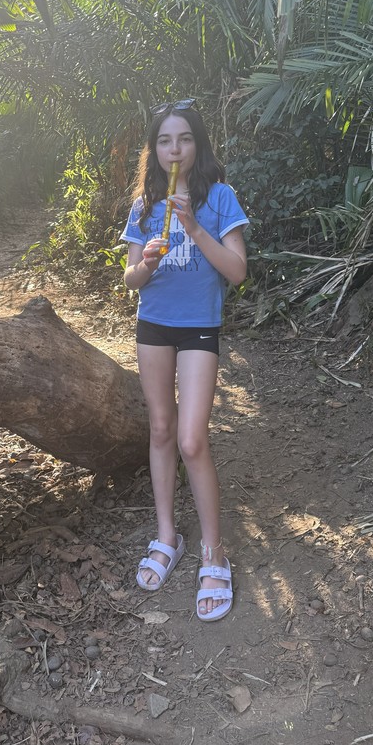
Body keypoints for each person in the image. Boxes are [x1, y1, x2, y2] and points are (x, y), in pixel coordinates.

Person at [121, 99, 248, 621]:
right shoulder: (144, 203)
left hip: (199, 326)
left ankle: (214, 553)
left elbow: (237, 272)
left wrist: (195, 228)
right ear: (154, 150)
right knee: (160, 430)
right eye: (166, 141)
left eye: (185, 139)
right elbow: (130, 281)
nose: (175, 149)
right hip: (153, 325)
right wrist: (146, 263)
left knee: (193, 439)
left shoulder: (219, 198)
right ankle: (167, 536)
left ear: (199, 144)